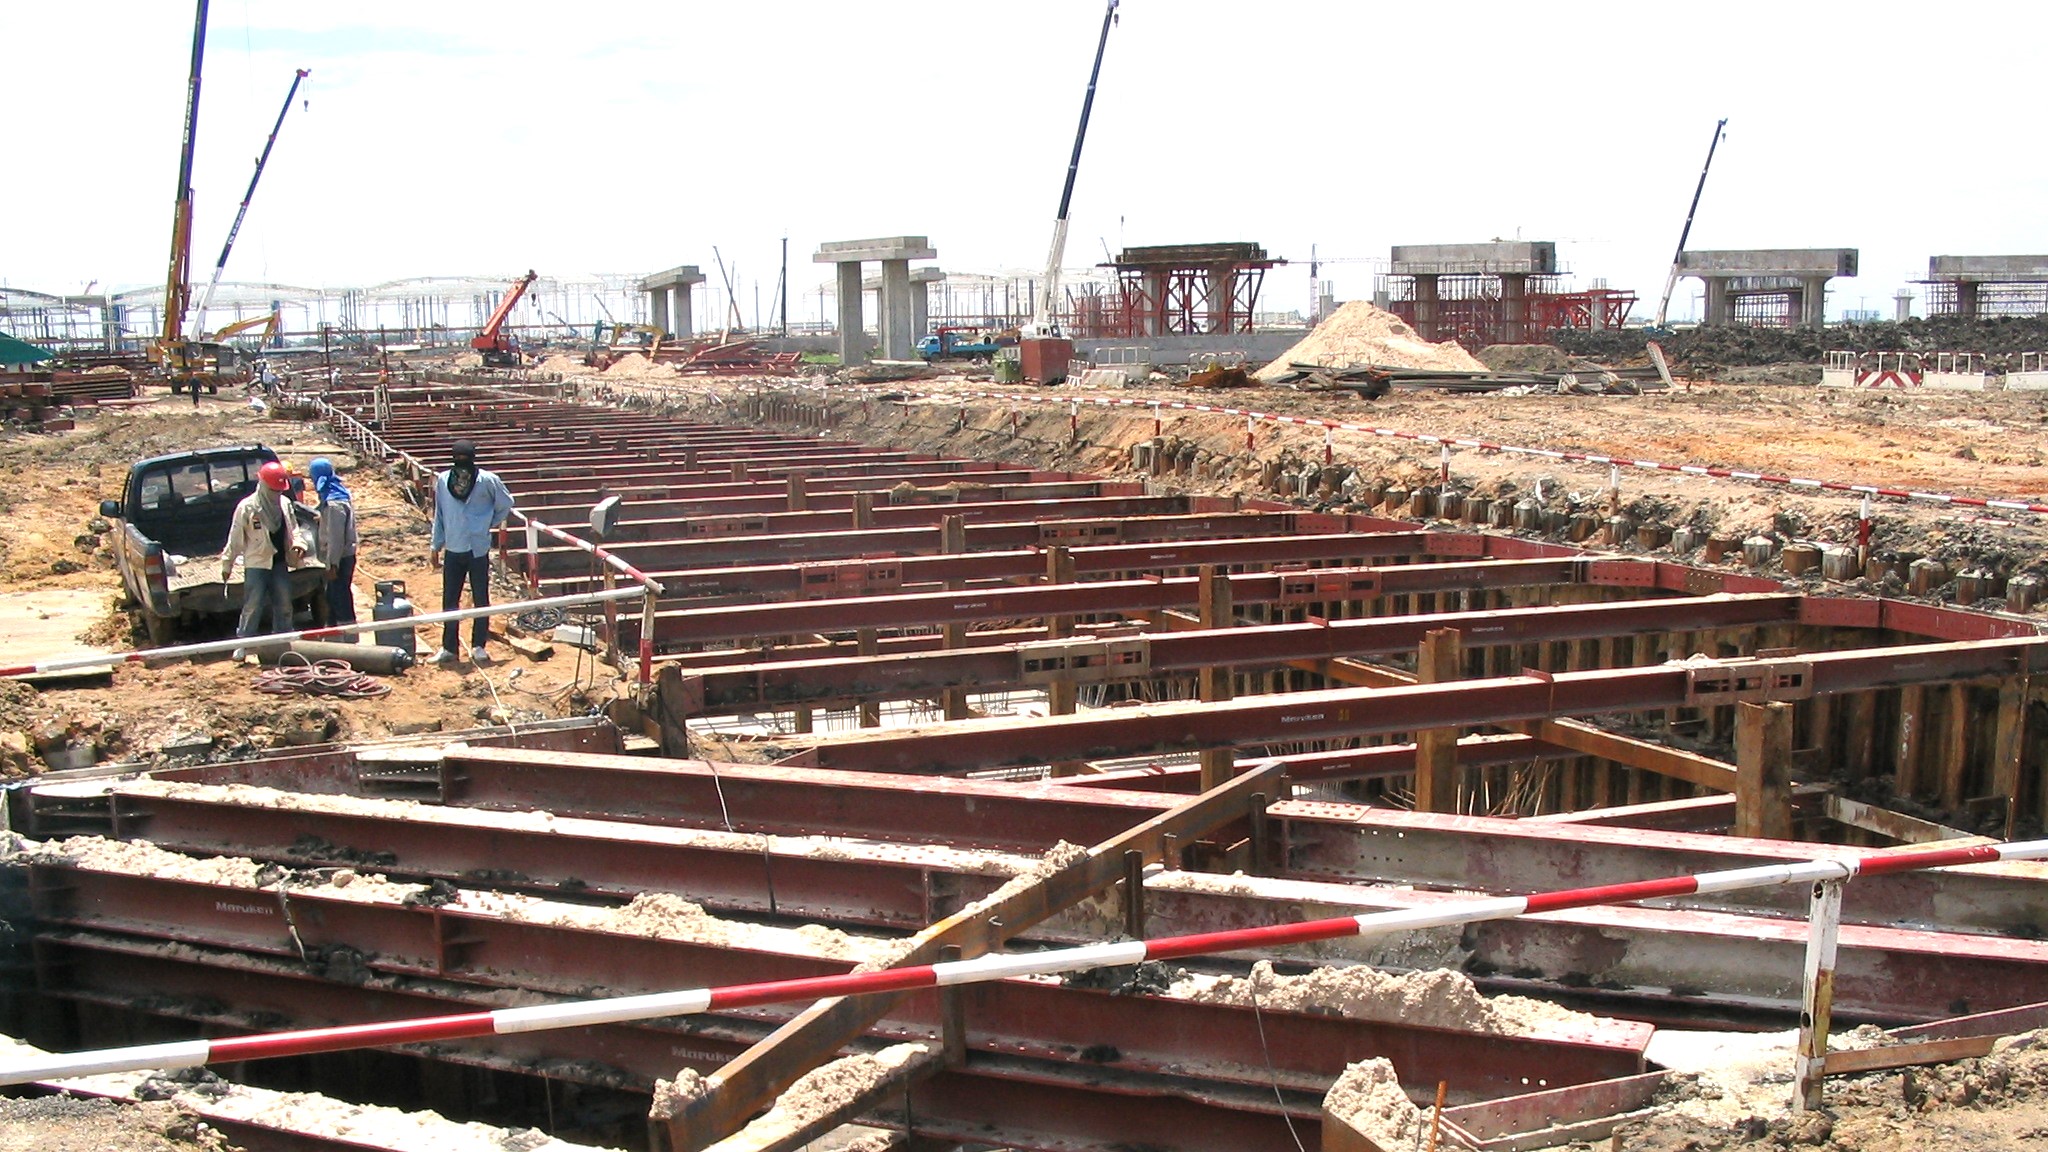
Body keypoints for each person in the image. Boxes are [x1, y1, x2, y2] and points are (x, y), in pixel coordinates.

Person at [428, 438, 514, 665]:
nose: (461, 461)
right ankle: (449, 648)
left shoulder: (487, 480)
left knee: (480, 598)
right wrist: (435, 545)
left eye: (465, 458)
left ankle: (478, 646)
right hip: (453, 547)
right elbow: (440, 515)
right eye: (458, 458)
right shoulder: (444, 481)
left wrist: (487, 523)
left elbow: (506, 503)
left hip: (478, 548)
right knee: (450, 599)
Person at [221, 460, 304, 658]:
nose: (276, 494)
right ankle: (243, 643)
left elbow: (293, 528)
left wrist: (299, 544)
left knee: (284, 604)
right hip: (257, 564)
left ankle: (282, 642)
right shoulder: (248, 508)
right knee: (253, 605)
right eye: (273, 490)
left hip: (279, 562)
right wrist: (227, 563)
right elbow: (235, 538)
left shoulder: (284, 504)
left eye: (279, 490)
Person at [307, 458, 359, 636]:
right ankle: (335, 633)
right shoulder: (338, 494)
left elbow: (336, 538)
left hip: (340, 558)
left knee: (339, 598)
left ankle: (349, 635)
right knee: (333, 596)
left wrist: (332, 564)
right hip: (344, 555)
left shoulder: (334, 503)